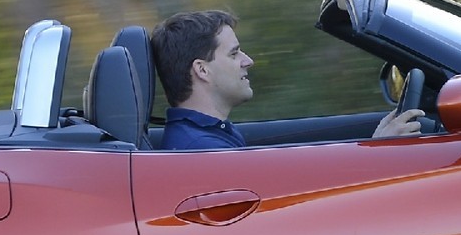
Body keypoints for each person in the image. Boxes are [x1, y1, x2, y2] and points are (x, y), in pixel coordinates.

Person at [149, 9, 423, 150]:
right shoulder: (203, 151)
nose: (248, 61)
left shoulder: (207, 135)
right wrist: (377, 153)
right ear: (202, 70)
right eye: (234, 54)